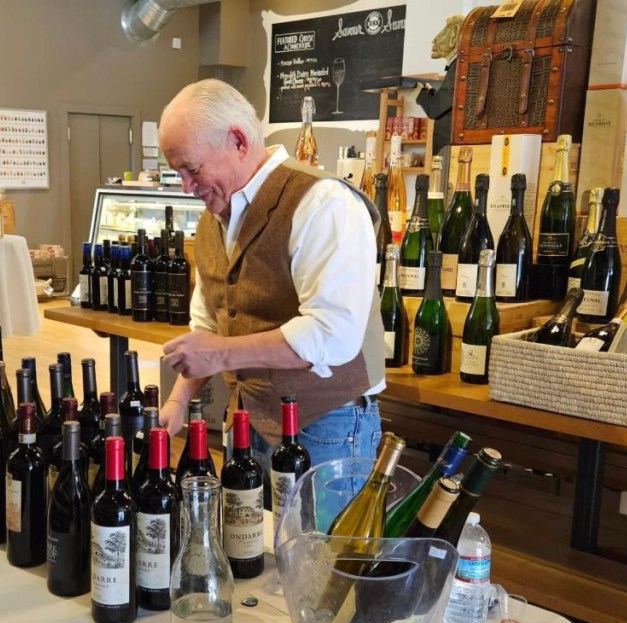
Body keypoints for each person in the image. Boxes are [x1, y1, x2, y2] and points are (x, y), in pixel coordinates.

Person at [157, 79, 386, 481]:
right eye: (178, 173)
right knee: (249, 526)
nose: (186, 187)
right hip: (247, 419)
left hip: (326, 428)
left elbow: (332, 335)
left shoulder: (322, 202)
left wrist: (221, 354)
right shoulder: (213, 219)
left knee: (315, 529)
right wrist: (178, 401)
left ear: (238, 141)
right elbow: (210, 324)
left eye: (192, 169)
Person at [416, 14, 464, 156]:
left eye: (443, 33)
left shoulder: (458, 67)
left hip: (449, 149)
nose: (435, 39)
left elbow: (435, 109)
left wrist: (418, 92)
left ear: (455, 33)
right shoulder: (459, 66)